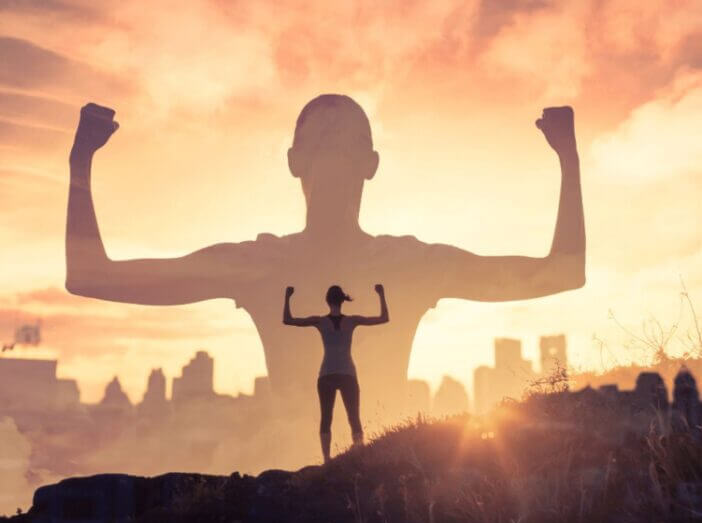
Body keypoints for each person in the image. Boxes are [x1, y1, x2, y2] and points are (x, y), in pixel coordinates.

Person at [66, 95, 585, 428]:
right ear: (294, 162)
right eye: (321, 140)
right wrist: (80, 164)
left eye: (347, 141)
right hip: (293, 485)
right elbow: (93, 277)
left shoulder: (408, 263)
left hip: (382, 480)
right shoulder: (261, 262)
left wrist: (569, 159)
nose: (334, 151)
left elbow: (561, 271)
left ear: (371, 164)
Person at [283, 283, 389, 462]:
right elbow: (383, 318)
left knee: (327, 417)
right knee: (353, 416)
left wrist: (287, 296)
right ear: (342, 300)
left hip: (328, 375)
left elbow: (288, 320)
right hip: (346, 374)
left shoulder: (321, 321)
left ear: (327, 301)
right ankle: (359, 453)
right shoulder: (351, 320)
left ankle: (327, 459)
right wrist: (381, 294)